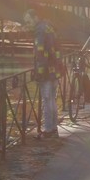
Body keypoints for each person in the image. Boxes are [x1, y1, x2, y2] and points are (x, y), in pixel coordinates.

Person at [27, 9, 64, 139]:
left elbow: (40, 53)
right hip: (55, 69)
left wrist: (39, 73)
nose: (28, 24)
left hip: (47, 71)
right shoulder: (50, 27)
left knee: (47, 100)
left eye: (29, 21)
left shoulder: (40, 31)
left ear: (36, 17)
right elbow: (58, 48)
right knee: (52, 100)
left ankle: (48, 130)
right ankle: (53, 128)